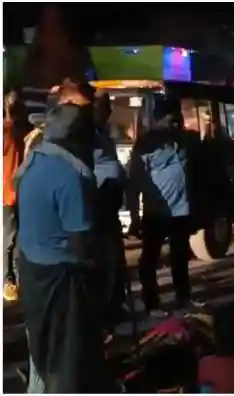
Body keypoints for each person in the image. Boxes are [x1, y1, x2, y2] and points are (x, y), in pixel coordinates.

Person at [16, 80, 110, 392]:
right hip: (61, 281)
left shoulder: (34, 159)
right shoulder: (71, 175)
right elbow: (81, 244)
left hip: (32, 272)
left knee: (43, 360)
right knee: (69, 366)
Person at [128, 97, 203, 318]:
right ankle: (152, 303)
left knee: (180, 256)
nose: (175, 122)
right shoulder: (145, 144)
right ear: (160, 119)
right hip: (156, 210)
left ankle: (184, 297)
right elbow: (134, 183)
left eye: (177, 118)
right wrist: (134, 216)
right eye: (171, 119)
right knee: (150, 258)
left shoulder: (182, 139)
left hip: (181, 210)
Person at [92, 92, 130, 330]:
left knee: (116, 258)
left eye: (108, 107)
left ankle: (116, 304)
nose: (107, 111)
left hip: (111, 204)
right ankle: (106, 312)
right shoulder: (88, 135)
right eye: (103, 107)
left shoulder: (105, 132)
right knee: (105, 259)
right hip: (100, 203)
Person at [2, 87, 29, 302]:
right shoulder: (8, 130)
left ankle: (14, 279)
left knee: (15, 239)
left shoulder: (16, 131)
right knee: (10, 240)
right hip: (9, 194)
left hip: (15, 192)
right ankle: (7, 281)